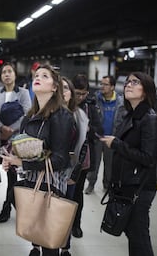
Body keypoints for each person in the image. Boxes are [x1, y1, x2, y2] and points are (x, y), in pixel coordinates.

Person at [0, 64, 74, 256]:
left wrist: (22, 164)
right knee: (36, 236)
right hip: (32, 183)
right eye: (37, 75)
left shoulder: (62, 115)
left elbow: (60, 159)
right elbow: (25, 149)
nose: (38, 77)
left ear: (55, 87)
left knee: (49, 242)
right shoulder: (30, 116)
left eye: (45, 76)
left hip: (51, 185)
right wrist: (13, 160)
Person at [99, 72, 157, 256]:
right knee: (133, 234)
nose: (128, 85)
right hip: (127, 185)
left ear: (146, 90)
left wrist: (117, 144)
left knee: (139, 236)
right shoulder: (131, 116)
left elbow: (148, 158)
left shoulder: (150, 119)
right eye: (127, 82)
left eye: (135, 82)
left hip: (140, 188)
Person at [0, 62, 31, 223]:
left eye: (9, 71)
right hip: (0, 138)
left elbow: (27, 114)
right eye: (4, 72)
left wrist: (11, 129)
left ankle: (7, 207)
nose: (7, 74)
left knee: (12, 175)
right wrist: (2, 128)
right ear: (1, 76)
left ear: (15, 75)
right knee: (3, 173)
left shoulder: (23, 93)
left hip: (16, 140)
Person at [70, 73, 103, 239]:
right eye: (77, 93)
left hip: (82, 159)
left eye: (84, 94)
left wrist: (89, 130)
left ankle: (76, 225)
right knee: (61, 193)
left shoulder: (90, 107)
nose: (80, 97)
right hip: (64, 158)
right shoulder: (64, 104)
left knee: (77, 193)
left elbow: (100, 130)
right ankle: (62, 223)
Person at [60, 76, 89, 256]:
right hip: (48, 171)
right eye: (59, 88)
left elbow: (82, 147)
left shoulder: (78, 115)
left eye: (66, 88)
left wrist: (74, 173)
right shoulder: (46, 112)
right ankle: (37, 245)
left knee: (66, 211)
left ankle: (65, 246)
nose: (63, 92)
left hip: (69, 172)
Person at [85, 75, 126, 194]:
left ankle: (107, 185)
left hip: (111, 138)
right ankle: (91, 184)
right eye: (101, 84)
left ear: (112, 87)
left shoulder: (120, 102)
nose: (102, 86)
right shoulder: (95, 99)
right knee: (95, 163)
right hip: (98, 137)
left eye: (105, 84)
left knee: (110, 165)